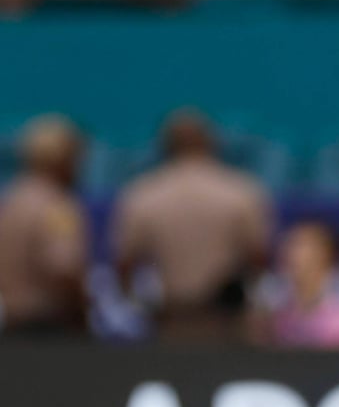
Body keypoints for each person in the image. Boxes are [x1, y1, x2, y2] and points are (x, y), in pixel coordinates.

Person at [111, 108, 273, 344]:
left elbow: (124, 266)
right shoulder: (242, 192)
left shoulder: (141, 195)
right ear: (211, 143)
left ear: (166, 146)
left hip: (170, 321)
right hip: (227, 324)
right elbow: (259, 261)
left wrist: (142, 309)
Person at [0, 113, 91, 339]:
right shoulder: (57, 207)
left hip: (11, 326)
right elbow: (64, 268)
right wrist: (83, 311)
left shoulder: (11, 201)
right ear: (63, 159)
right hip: (49, 328)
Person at [252, 220, 339, 349]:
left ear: (326, 254)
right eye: (290, 245)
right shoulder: (271, 301)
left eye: (302, 246)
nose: (292, 254)